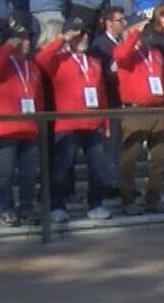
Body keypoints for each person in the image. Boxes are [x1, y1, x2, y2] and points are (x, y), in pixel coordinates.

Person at [35, 18, 115, 221]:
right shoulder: (59, 60)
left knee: (97, 167)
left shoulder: (93, 61)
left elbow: (101, 94)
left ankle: (96, 204)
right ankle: (56, 206)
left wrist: (104, 120)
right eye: (79, 35)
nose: (84, 37)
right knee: (62, 168)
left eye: (86, 34)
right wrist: (63, 38)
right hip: (68, 124)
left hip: (93, 122)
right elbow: (41, 59)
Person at [113, 6, 164, 214]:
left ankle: (153, 197)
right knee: (129, 158)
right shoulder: (125, 51)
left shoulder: (155, 53)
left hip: (157, 109)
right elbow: (120, 55)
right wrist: (133, 33)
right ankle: (128, 199)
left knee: (158, 158)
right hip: (135, 111)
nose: (145, 31)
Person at [0, 16, 44, 226]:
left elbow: (39, 97)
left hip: (30, 127)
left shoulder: (32, 66)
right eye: (23, 39)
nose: (28, 42)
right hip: (6, 127)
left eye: (29, 39)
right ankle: (6, 208)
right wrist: (7, 48)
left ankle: (26, 208)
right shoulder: (4, 63)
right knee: (5, 174)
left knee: (29, 174)